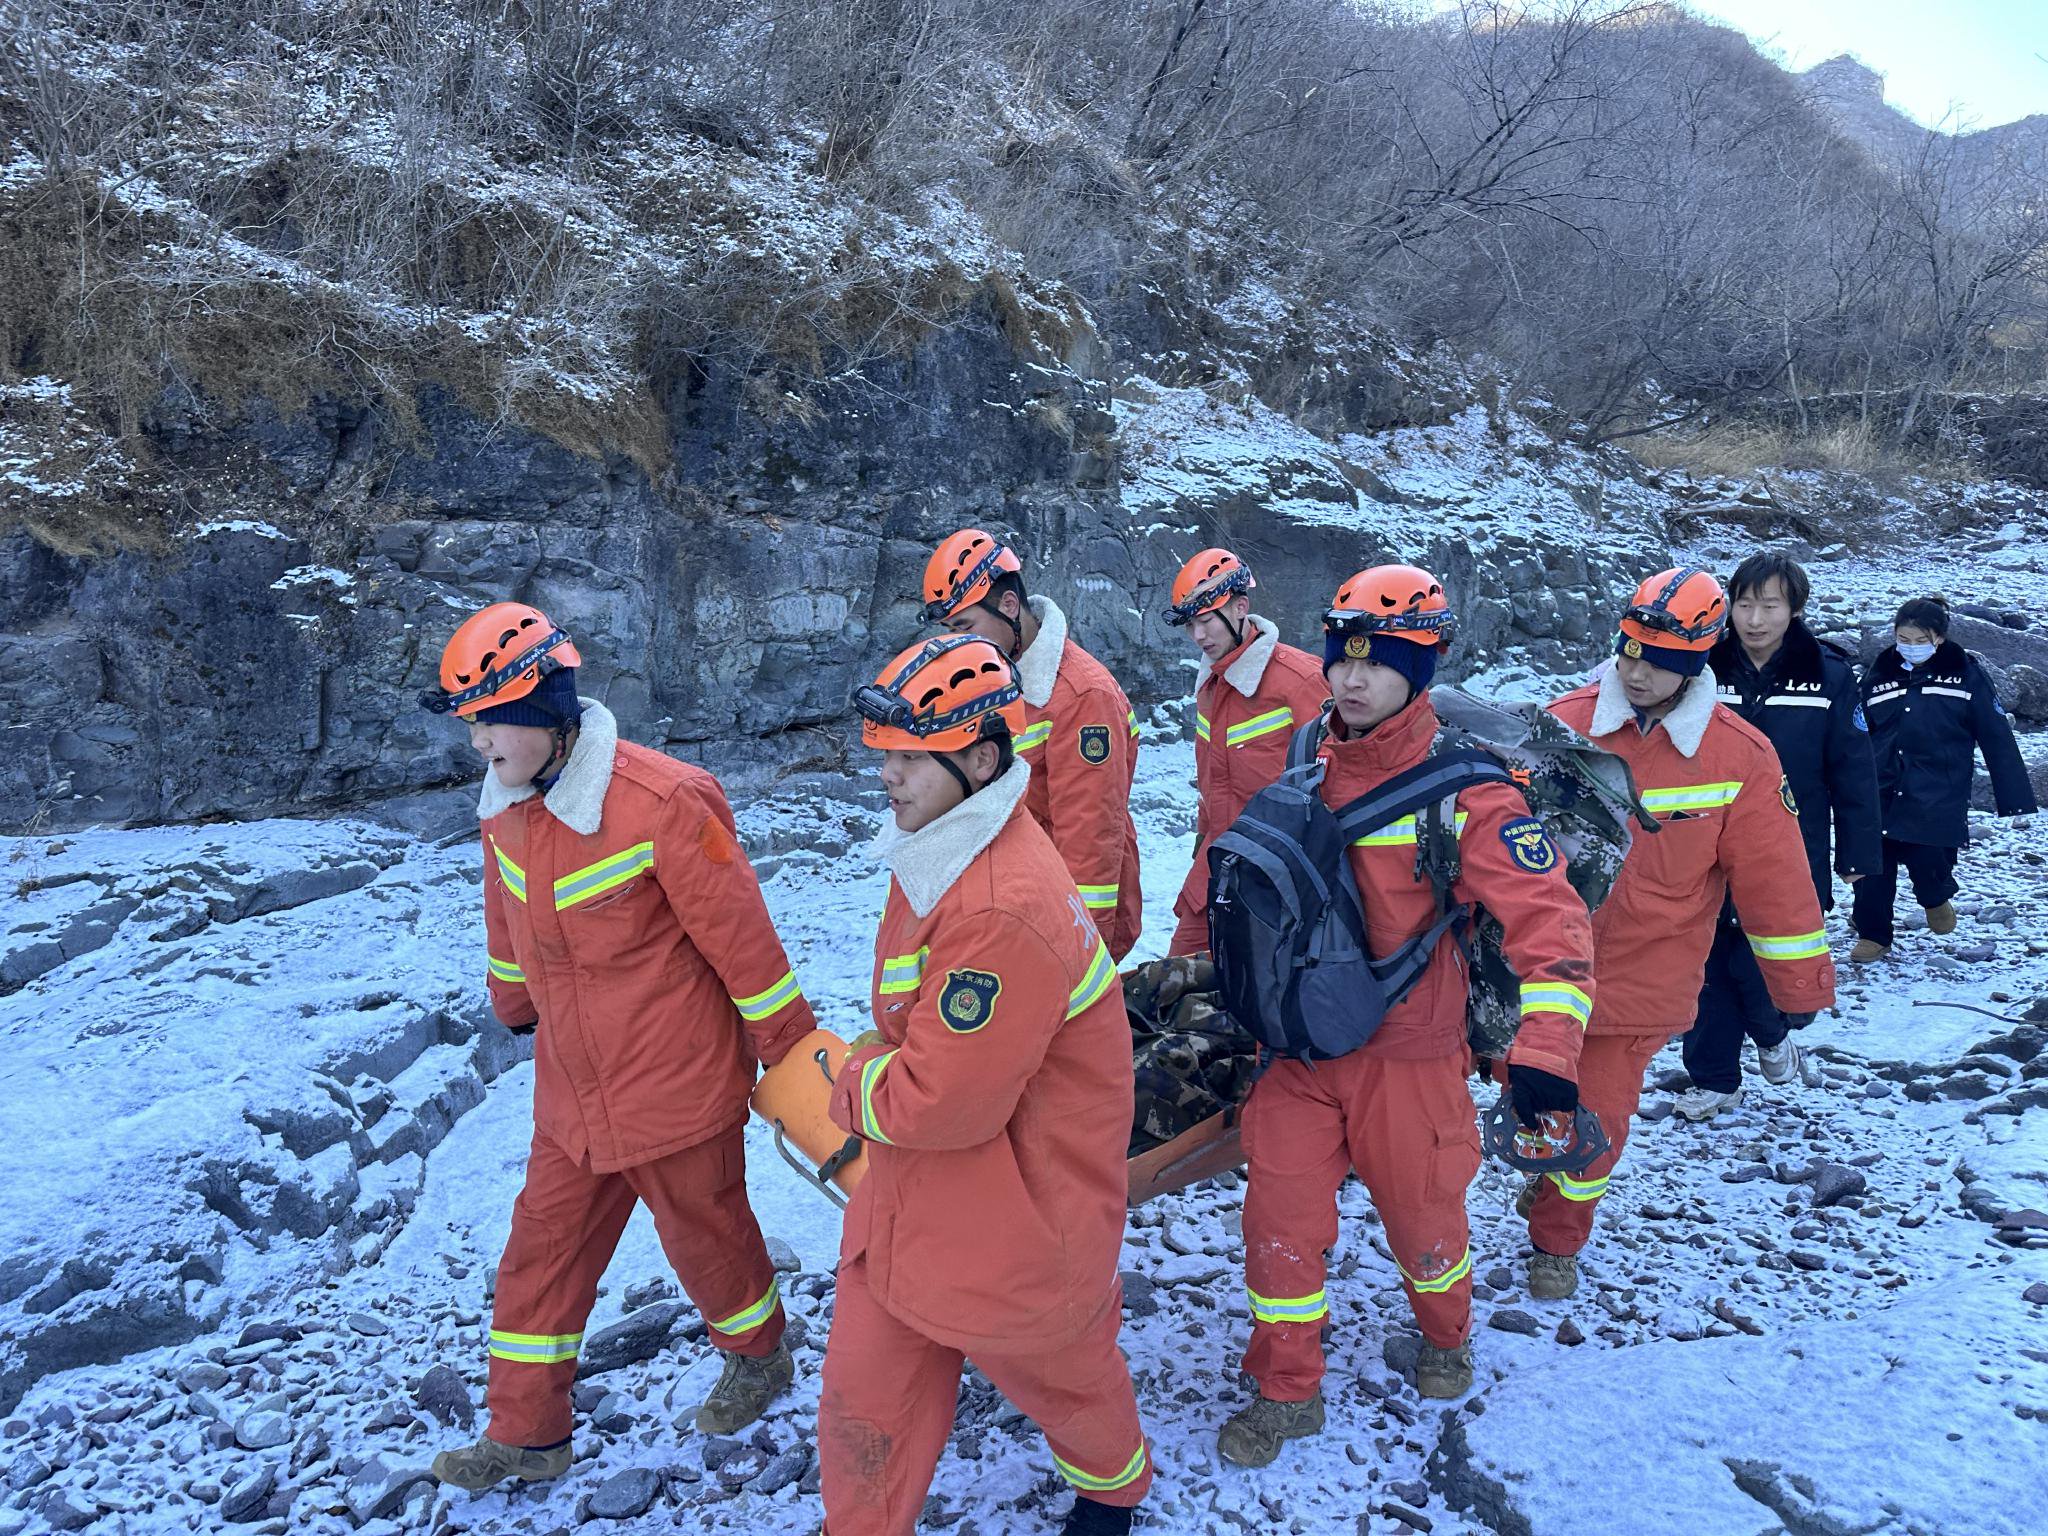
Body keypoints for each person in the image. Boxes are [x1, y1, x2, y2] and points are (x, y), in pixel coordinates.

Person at [418, 603, 814, 1493]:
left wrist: (790, 1051)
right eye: (470, 723)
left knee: (707, 1238)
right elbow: (504, 917)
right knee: (540, 1252)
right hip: (574, 1088)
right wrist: (513, 1003)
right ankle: (526, 1433)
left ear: (545, 709)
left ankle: (759, 1356)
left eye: (488, 720)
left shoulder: (665, 799)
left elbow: (741, 940)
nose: (477, 742)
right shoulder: (507, 807)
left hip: (675, 1082)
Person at [1217, 565, 1596, 1468]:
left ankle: (1445, 1336)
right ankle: (1287, 1390)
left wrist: (1546, 1051)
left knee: (1426, 1222)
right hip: (1300, 1049)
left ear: (1420, 671)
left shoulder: (1470, 791)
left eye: (1381, 663)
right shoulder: (1307, 750)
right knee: (1278, 1225)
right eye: (1343, 658)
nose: (1353, 679)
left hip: (1409, 1054)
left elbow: (1553, 922)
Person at [818, 635, 1151, 1536]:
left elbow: (939, 1099)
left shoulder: (1003, 904)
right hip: (915, 1194)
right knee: (863, 1400)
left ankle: (1113, 1492)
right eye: (879, 753)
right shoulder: (946, 839)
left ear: (977, 755)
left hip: (1016, 1210)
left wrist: (848, 1080)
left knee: (1065, 1377)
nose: (883, 775)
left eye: (905, 758)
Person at [1532, 569, 1835, 1298]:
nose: (1637, 672)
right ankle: (1544, 1178)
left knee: (1598, 1120)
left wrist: (1797, 989)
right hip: (1542, 971)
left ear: (1697, 660)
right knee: (1537, 1101)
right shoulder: (1560, 723)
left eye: (1660, 661)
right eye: (1629, 652)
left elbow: (1777, 883)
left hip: (1643, 977)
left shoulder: (1740, 757)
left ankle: (1558, 1239)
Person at [1680, 553, 1881, 1119]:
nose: (1755, 619)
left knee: (1762, 961)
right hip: (1703, 844)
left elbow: (1853, 770)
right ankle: (1715, 1078)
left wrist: (1858, 852)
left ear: (1794, 609)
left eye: (1770, 605)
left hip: (1793, 847)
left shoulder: (1829, 674)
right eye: (1744, 604)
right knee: (1707, 961)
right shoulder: (1699, 668)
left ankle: (1773, 1031)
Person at [921, 529, 1143, 960]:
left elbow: (1090, 840)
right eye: (951, 630)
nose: (958, 643)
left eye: (965, 626)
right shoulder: (992, 677)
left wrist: (1080, 954)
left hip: (1062, 917)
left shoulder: (1082, 697)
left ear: (1008, 605)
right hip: (1015, 900)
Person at [1851, 596, 2037, 961]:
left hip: (1938, 789)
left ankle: (1935, 896)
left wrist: (2013, 796)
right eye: (1904, 638)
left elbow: (1995, 733)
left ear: (1939, 638)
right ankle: (1873, 935)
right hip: (1880, 787)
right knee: (1872, 867)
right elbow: (1856, 730)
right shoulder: (1878, 674)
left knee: (1929, 860)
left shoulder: (1966, 674)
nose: (1911, 647)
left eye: (1921, 640)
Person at [1164, 547, 1330, 957]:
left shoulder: (1301, 681)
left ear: (1241, 607)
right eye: (1190, 625)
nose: (1198, 636)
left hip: (1277, 883)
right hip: (1214, 869)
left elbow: (1335, 788)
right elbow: (1211, 784)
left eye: (1205, 621)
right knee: (1169, 988)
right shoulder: (1209, 686)